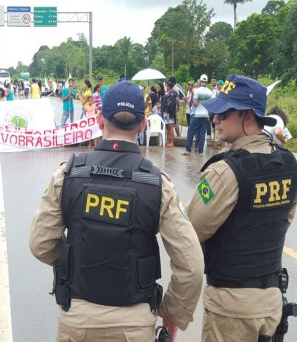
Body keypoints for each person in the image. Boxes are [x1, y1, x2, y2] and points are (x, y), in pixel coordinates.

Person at [30, 81, 204, 342]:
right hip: (134, 323)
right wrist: (172, 313)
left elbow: (40, 244)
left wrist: (74, 260)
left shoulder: (67, 175)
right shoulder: (158, 185)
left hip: (78, 319)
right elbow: (191, 265)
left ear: (99, 120)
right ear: (143, 125)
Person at [187, 74, 297, 342]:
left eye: (223, 114)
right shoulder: (289, 164)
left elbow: (190, 230)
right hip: (270, 303)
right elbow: (284, 220)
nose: (215, 119)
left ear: (248, 118)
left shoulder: (225, 171)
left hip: (231, 308)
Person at [183, 74, 212, 156]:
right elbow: (210, 104)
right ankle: (201, 151)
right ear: (206, 81)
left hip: (198, 114)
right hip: (206, 115)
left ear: (200, 81)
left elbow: (195, 103)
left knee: (191, 131)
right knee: (202, 133)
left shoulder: (197, 91)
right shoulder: (210, 92)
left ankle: (188, 150)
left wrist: (198, 102)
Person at [160, 79, 178, 147]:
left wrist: (171, 113)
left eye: (166, 86)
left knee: (170, 127)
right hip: (166, 113)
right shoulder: (168, 94)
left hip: (169, 113)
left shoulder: (172, 94)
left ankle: (172, 142)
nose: (165, 87)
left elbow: (170, 104)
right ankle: (168, 141)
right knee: (167, 127)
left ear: (169, 86)